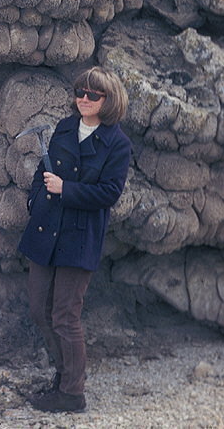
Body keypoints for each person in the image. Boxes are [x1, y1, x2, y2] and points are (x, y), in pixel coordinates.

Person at [18, 66, 131, 413]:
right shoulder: (65, 128)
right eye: (80, 92)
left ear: (108, 100)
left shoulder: (117, 144)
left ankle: (72, 393)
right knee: (39, 309)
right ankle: (63, 374)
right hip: (46, 228)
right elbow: (42, 174)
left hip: (80, 237)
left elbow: (109, 193)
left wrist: (66, 189)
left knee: (66, 315)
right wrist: (35, 202)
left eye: (92, 95)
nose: (83, 99)